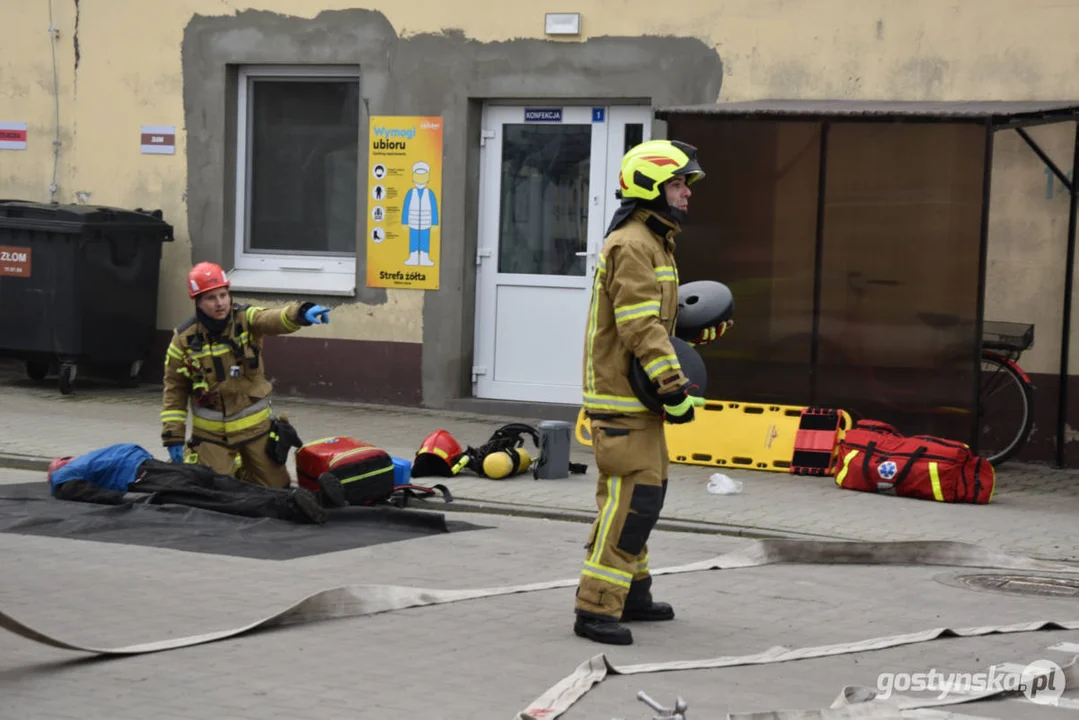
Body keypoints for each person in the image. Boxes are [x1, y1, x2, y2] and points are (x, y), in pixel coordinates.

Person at [573, 139, 731, 646]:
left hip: (634, 401)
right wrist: (674, 387)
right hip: (625, 400)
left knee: (636, 498)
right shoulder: (635, 243)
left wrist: (688, 329)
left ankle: (632, 593)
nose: (687, 193)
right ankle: (595, 608)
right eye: (679, 182)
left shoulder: (653, 239)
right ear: (651, 186)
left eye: (686, 183)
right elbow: (639, 326)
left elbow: (654, 318)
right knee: (633, 501)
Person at [161, 262, 332, 488]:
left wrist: (300, 313)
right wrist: (173, 435)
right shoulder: (183, 339)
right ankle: (224, 465)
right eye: (211, 298)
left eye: (223, 295)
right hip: (212, 437)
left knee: (277, 489)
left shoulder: (245, 319)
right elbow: (175, 388)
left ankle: (241, 468)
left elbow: (273, 318)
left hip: (255, 431)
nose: (220, 302)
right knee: (218, 492)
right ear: (198, 302)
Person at [47, 443, 348, 524]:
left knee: (219, 501)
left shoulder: (64, 474)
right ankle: (316, 499)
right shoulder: (102, 454)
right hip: (174, 468)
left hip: (150, 478)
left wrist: (122, 501)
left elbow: (80, 492)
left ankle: (292, 507)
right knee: (234, 487)